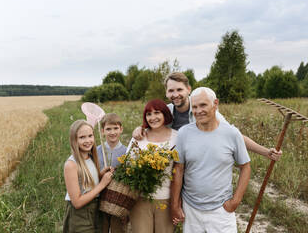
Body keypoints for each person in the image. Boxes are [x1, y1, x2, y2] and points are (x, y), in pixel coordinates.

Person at [133, 72, 282, 160]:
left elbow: (234, 135)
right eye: (171, 91)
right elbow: (151, 128)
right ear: (166, 92)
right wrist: (139, 129)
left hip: (198, 162)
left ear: (188, 89)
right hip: (173, 165)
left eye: (179, 89)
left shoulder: (203, 111)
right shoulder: (166, 111)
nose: (175, 94)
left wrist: (265, 152)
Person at [170, 87, 251, 233]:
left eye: (203, 105)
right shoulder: (184, 133)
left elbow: (245, 166)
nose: (198, 111)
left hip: (222, 209)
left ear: (215, 104)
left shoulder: (232, 134)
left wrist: (236, 201)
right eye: (194, 107)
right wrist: (175, 205)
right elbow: (178, 169)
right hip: (191, 208)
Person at [127, 99, 177, 233]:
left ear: (165, 114)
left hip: (165, 200)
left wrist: (177, 204)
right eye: (148, 114)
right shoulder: (139, 136)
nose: (153, 117)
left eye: (157, 113)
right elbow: (127, 165)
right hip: (140, 199)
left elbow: (181, 171)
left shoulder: (177, 137)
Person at [63, 120, 114, 233]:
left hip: (96, 209)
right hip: (80, 215)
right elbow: (77, 202)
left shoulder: (90, 157)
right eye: (82, 137)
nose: (87, 141)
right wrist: (102, 184)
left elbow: (89, 185)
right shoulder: (71, 164)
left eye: (90, 136)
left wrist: (101, 175)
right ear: (74, 140)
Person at [97, 113, 127, 233]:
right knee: (101, 228)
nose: (112, 132)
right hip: (100, 198)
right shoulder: (98, 150)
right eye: (108, 129)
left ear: (121, 129)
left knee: (117, 229)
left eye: (115, 128)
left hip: (117, 201)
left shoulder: (126, 151)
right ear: (103, 131)